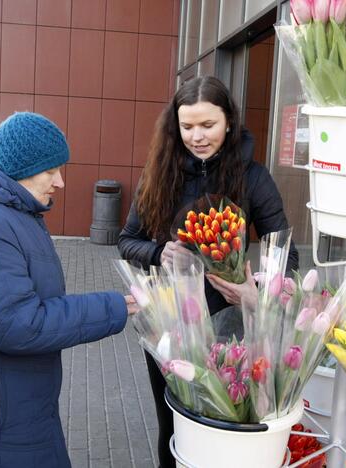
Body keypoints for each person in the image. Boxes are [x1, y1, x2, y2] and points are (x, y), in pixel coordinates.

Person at [0, 112, 139, 467]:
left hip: (8, 405)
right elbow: (20, 324)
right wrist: (114, 307)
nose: (61, 182)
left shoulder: (11, 212)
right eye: (51, 170)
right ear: (21, 168)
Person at [118, 76, 299, 467]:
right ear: (175, 126)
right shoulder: (159, 174)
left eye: (208, 125)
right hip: (170, 324)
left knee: (225, 423)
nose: (197, 136)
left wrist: (255, 292)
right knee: (173, 424)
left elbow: (286, 257)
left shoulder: (253, 177)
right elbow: (126, 240)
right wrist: (158, 252)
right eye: (187, 127)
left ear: (229, 122)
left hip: (231, 326)